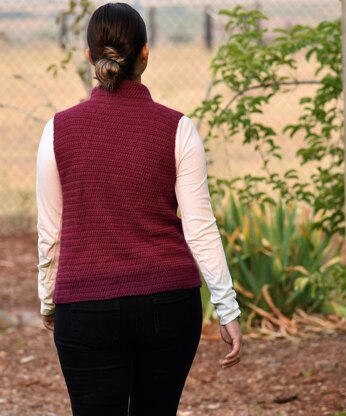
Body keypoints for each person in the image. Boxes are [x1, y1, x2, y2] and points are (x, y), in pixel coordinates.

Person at [35, 3, 242, 415]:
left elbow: (51, 232)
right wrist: (227, 308)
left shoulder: (57, 130)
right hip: (169, 306)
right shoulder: (178, 128)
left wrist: (48, 299)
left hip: (86, 308)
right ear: (145, 53)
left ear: (90, 56)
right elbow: (199, 227)